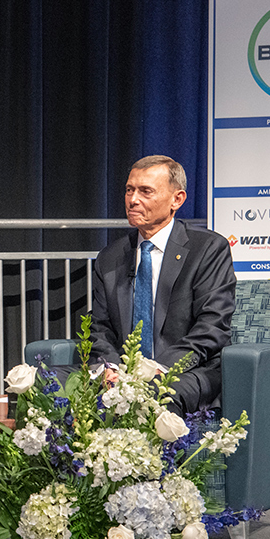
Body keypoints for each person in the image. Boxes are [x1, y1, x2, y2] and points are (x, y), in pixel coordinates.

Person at [89, 155, 236, 416]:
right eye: (129, 190)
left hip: (187, 372)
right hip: (122, 372)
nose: (133, 200)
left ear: (176, 200)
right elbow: (100, 326)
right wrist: (109, 368)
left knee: (155, 393)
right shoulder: (110, 257)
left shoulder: (208, 249)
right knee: (47, 383)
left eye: (145, 191)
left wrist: (156, 370)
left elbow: (212, 327)